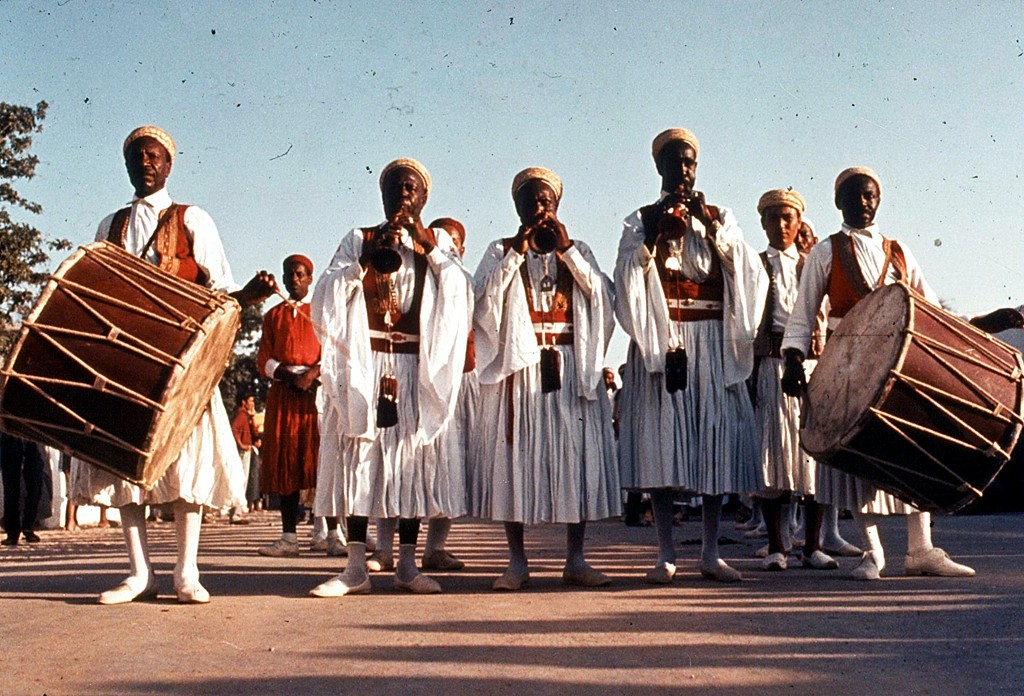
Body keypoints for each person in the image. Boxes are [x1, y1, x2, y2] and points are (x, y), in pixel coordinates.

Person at [781, 166, 1023, 580]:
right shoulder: (825, 251)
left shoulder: (900, 251)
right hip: (847, 366)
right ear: (838, 201)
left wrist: (986, 322)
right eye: (854, 195)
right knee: (857, 457)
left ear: (879, 200)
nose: (863, 202)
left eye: (870, 195)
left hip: (902, 362)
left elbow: (933, 311)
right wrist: (792, 357)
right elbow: (803, 314)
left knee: (913, 443)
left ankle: (921, 550)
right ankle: (872, 554)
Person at [70, 125, 274, 604]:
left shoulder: (192, 218)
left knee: (187, 464)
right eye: (137, 156)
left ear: (168, 165)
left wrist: (249, 295)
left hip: (182, 365)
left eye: (154, 156)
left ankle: (187, 571)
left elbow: (220, 294)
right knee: (125, 466)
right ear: (126, 165)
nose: (145, 162)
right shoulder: (110, 226)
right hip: (126, 364)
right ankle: (140, 573)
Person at [309, 158, 469, 597]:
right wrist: (365, 258)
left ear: (424, 198)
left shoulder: (436, 242)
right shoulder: (359, 237)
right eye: (394, 187)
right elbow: (324, 296)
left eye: (410, 188)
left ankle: (407, 566)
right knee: (360, 459)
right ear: (381, 196)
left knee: (409, 463)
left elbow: (460, 292)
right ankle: (355, 568)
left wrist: (426, 245)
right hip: (366, 362)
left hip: (413, 367)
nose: (402, 194)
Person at [615, 128, 767, 584]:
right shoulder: (640, 218)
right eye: (675, 162)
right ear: (659, 167)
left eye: (689, 163)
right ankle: (665, 552)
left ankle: (709, 552)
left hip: (712, 340)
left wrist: (711, 226)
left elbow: (749, 271)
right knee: (664, 444)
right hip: (663, 340)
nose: (683, 170)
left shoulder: (721, 215)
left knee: (712, 443)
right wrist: (654, 236)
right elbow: (626, 278)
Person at [473, 167, 619, 591]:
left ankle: (576, 559)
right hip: (520, 367)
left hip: (570, 365)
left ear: (557, 206)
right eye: (531, 201)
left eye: (546, 201)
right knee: (515, 461)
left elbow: (603, 299)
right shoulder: (500, 249)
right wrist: (515, 255)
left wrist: (567, 250)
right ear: (517, 206)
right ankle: (517, 562)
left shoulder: (578, 248)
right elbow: (482, 304)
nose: (539, 207)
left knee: (576, 459)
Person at [750, 189, 836, 572]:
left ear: (799, 222)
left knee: (814, 456)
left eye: (789, 218)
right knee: (773, 453)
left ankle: (813, 546)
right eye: (775, 218)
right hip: (772, 364)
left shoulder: (812, 264)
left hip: (812, 365)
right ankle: (776, 546)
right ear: (763, 223)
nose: (782, 225)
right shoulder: (754, 265)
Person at [256, 254, 344, 558]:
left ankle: (333, 535)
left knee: (322, 462)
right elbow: (264, 358)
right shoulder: (273, 316)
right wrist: (286, 375)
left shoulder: (321, 312)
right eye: (288, 274)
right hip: (285, 394)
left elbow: (333, 353)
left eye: (299, 274)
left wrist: (312, 375)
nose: (293, 279)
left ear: (309, 278)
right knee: (287, 464)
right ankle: (288, 537)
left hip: (315, 394)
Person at [1, 433, 45, 545]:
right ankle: (12, 532)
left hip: (34, 435)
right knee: (11, 487)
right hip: (9, 435)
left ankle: (28, 527)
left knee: (35, 483)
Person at [228, 395, 257, 525]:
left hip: (245, 450)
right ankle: (236, 514)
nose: (252, 403)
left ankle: (236, 513)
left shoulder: (246, 416)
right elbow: (234, 429)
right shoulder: (241, 415)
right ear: (243, 402)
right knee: (241, 480)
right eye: (250, 401)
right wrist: (241, 444)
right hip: (242, 451)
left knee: (241, 480)